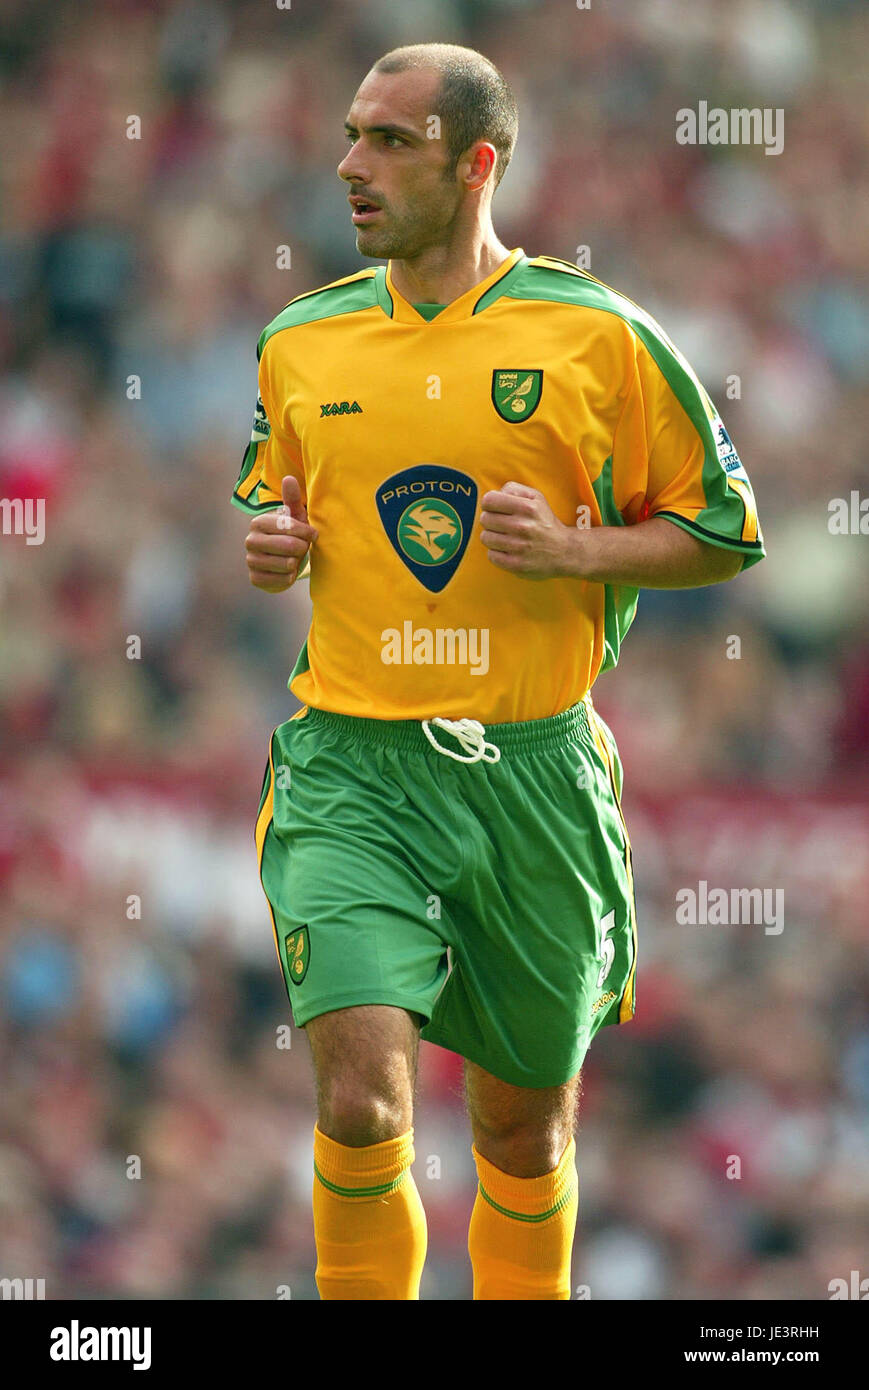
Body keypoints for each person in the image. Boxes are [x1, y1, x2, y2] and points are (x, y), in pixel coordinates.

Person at [232, 42, 765, 1301]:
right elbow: (275, 505)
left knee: (521, 1134)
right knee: (363, 1106)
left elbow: (723, 530)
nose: (351, 167)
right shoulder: (300, 341)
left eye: (389, 143)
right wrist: (270, 548)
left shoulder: (600, 336)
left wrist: (578, 546)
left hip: (532, 780)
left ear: (475, 165)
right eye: (351, 134)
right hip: (351, 767)